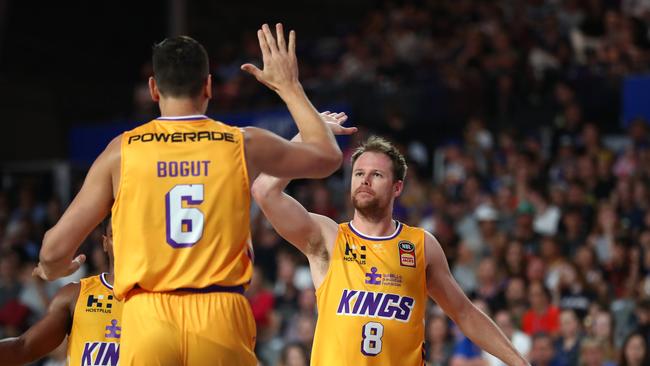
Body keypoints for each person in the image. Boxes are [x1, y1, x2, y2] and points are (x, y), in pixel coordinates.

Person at [33, 23, 342, 365]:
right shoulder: (242, 143)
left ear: (153, 88)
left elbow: (53, 250)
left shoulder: (122, 151)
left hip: (147, 316)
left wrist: (54, 269)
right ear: (208, 86)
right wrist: (289, 86)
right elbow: (327, 157)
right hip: (220, 312)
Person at [252, 132, 528, 365]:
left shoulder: (421, 245)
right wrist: (308, 135)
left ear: (397, 187)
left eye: (376, 175)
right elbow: (264, 191)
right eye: (359, 173)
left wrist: (519, 362)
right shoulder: (330, 236)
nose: (365, 180)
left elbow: (464, 313)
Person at [0, 220, 122, 366]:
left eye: (129, 235)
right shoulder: (75, 294)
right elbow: (23, 347)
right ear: (104, 242)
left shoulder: (155, 295)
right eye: (115, 234)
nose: (123, 241)